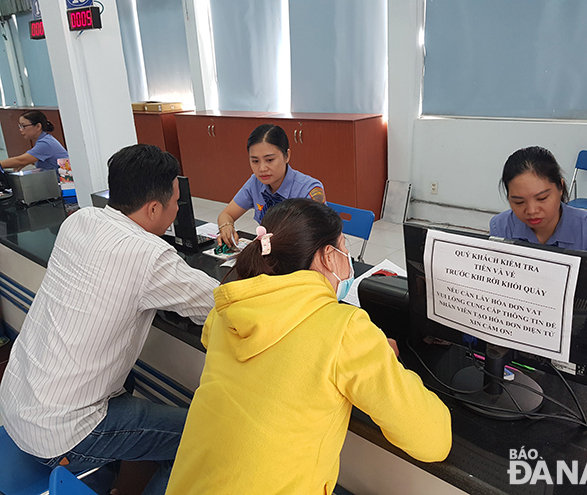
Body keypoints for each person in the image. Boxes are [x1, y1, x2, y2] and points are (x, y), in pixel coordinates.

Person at [166, 198, 452, 495]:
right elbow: (433, 441)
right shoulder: (345, 329)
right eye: (344, 247)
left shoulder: (225, 311)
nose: (348, 257)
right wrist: (382, 361)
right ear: (329, 256)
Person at [0, 144, 219, 495]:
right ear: (152, 208)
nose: (178, 209)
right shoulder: (152, 257)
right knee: (206, 438)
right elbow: (219, 305)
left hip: (16, 403)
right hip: (62, 433)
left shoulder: (81, 219)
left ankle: (107, 481)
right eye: (175, 202)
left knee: (130, 386)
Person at [490, 146, 587, 253]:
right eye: (519, 202)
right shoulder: (501, 227)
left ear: (560, 187)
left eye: (542, 198)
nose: (532, 210)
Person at [216, 123, 325, 248]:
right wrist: (226, 227)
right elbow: (226, 214)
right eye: (255, 161)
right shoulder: (255, 183)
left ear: (287, 156)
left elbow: (319, 237)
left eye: (270, 160)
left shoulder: (308, 189)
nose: (262, 168)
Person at [0, 110, 68, 172]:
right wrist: (29, 162)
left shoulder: (45, 143)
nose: (20, 130)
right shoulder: (45, 139)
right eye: (20, 126)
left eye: (23, 126)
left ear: (38, 126)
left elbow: (21, 160)